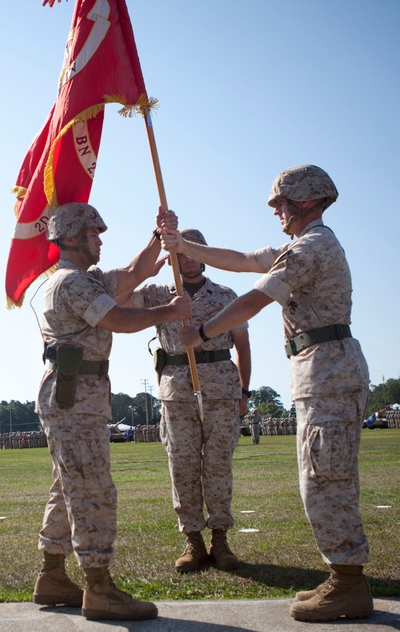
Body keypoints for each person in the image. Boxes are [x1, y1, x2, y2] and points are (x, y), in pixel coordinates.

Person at [160, 165, 373, 622]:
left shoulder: (311, 248)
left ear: (309, 201)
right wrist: (182, 246)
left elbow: (255, 297)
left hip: (329, 371)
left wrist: (202, 330)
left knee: (326, 478)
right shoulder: (299, 246)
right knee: (321, 476)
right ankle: (342, 574)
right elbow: (240, 259)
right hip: (319, 370)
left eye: (282, 201)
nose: (276, 209)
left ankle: (349, 582)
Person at [33, 202, 191, 621]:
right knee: (92, 491)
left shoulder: (84, 280)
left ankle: (52, 578)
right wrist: (170, 312)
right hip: (76, 397)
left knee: (67, 489)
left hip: (77, 395)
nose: (100, 240)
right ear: (71, 238)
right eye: (94, 234)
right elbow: (119, 318)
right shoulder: (72, 284)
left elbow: (136, 273)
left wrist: (159, 236)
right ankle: (100, 589)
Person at [127, 228, 251, 574]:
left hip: (222, 390)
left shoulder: (226, 295)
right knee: (182, 465)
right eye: (180, 253)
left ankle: (220, 539)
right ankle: (193, 541)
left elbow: (242, 346)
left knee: (217, 464)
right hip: (177, 392)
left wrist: (244, 391)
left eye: (194, 251)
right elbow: (118, 299)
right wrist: (150, 266)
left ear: (205, 254)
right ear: (172, 258)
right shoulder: (155, 294)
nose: (188, 258)